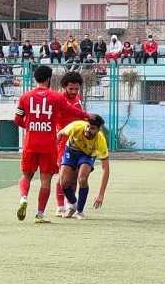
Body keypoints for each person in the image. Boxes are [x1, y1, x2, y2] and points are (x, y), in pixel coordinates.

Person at [13, 65, 90, 223]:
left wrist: (31, 126)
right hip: (49, 143)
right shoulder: (57, 97)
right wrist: (88, 116)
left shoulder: (25, 97)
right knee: (46, 180)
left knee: (26, 175)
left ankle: (23, 199)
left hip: (31, 143)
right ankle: (40, 214)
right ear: (49, 79)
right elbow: (73, 112)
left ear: (35, 78)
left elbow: (17, 120)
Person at [57, 117, 109, 220]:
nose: (88, 130)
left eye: (92, 128)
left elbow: (106, 169)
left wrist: (101, 195)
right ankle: (73, 205)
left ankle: (79, 211)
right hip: (71, 151)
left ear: (98, 130)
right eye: (88, 126)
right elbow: (60, 133)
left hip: (87, 155)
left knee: (82, 179)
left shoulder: (100, 140)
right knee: (63, 182)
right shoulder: (75, 126)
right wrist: (54, 150)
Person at [53, 71, 85, 217]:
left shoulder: (78, 98)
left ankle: (70, 205)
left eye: (76, 89)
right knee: (63, 176)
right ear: (64, 87)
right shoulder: (58, 99)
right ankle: (60, 206)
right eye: (71, 88)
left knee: (75, 176)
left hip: (77, 142)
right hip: (63, 142)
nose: (74, 91)